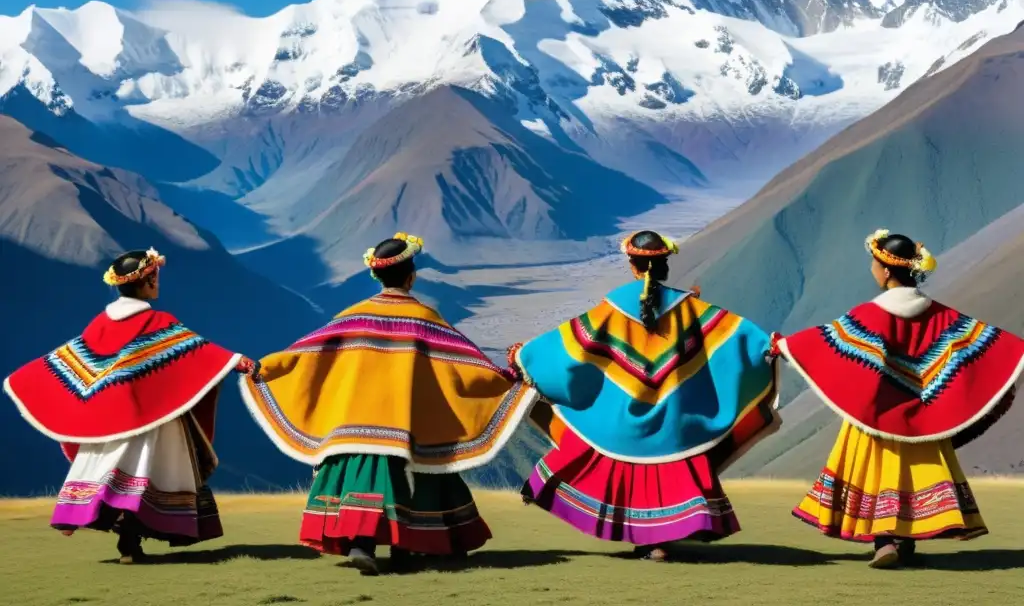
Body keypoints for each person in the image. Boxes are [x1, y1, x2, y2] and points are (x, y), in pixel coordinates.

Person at [240, 233, 538, 576]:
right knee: (421, 473)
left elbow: (304, 355)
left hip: (354, 424)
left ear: (376, 276)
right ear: (411, 276)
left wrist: (265, 367)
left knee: (361, 478)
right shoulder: (426, 319)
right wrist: (510, 376)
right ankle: (406, 546)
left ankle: (360, 544)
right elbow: (467, 366)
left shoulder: (351, 317)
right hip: (407, 425)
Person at [505, 230, 781, 561]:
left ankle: (645, 539)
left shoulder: (610, 311)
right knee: (672, 465)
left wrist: (526, 356)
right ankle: (660, 540)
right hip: (675, 424)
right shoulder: (693, 311)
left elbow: (569, 347)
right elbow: (739, 339)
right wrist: (770, 348)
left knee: (608, 452)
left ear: (633, 267)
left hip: (622, 429)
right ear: (664, 265)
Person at [769, 229, 1024, 569]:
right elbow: (983, 342)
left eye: (875, 264)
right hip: (926, 418)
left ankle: (885, 541)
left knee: (876, 472)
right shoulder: (940, 316)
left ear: (887, 270)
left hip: (874, 416)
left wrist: (784, 345)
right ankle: (903, 540)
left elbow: (829, 343)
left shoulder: (869, 316)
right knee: (915, 472)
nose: (873, 270)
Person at [3, 248, 258, 563]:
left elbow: (80, 360)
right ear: (149, 281)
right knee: (152, 473)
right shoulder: (158, 321)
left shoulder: (100, 323)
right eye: (155, 277)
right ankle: (132, 537)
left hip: (108, 418)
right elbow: (195, 351)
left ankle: (115, 531)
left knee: (106, 470)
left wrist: (35, 379)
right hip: (153, 417)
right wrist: (235, 360)